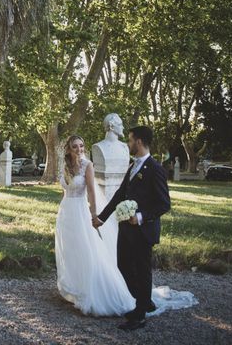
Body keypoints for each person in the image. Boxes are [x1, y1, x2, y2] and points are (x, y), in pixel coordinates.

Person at [93, 126, 170, 330]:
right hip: (126, 230)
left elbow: (164, 204)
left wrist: (141, 216)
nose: (128, 143)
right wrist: (101, 218)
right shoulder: (132, 166)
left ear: (139, 142)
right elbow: (120, 194)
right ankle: (144, 301)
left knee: (142, 271)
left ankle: (140, 314)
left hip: (143, 231)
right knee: (123, 267)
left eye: (130, 140)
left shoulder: (155, 169)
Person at [55, 135, 136, 316]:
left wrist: (93, 215)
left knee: (87, 250)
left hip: (80, 212)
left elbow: (91, 191)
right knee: (70, 250)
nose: (79, 149)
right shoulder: (65, 166)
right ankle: (76, 287)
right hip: (66, 212)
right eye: (75, 147)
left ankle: (95, 291)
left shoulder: (87, 165)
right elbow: (64, 190)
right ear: (69, 149)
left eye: (82, 146)